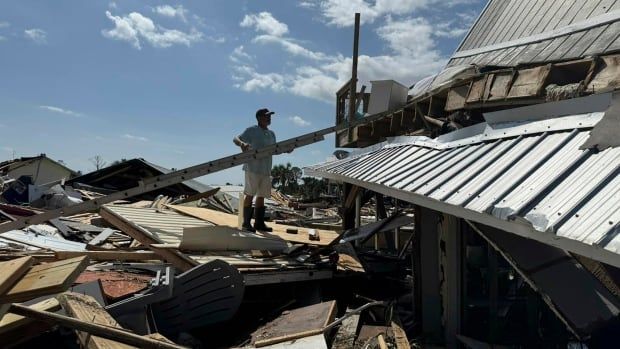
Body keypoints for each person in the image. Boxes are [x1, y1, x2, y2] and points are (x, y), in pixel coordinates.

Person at [233, 108, 277, 232]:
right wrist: (242, 144)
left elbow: (274, 150)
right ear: (259, 118)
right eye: (266, 116)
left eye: (270, 116)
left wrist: (287, 150)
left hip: (266, 169)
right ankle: (246, 222)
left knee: (262, 196)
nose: (269, 118)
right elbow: (236, 139)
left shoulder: (272, 134)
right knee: (250, 194)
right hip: (252, 167)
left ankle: (259, 223)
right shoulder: (252, 130)